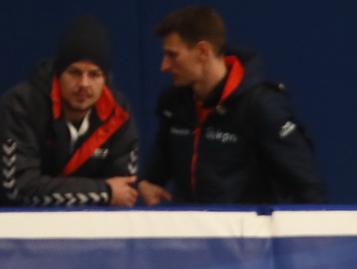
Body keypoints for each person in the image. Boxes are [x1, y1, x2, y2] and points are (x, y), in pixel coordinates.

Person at [138, 5, 325, 206]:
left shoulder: (261, 106)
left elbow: (307, 189)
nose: (164, 66)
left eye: (173, 55)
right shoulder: (173, 102)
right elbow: (157, 169)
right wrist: (146, 183)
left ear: (203, 51)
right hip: (189, 234)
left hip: (245, 236)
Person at [0, 16, 139, 208]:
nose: (84, 84)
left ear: (105, 79)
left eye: (94, 74)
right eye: (74, 72)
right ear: (58, 75)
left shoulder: (118, 111)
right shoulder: (21, 105)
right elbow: (19, 188)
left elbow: (124, 191)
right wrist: (104, 192)